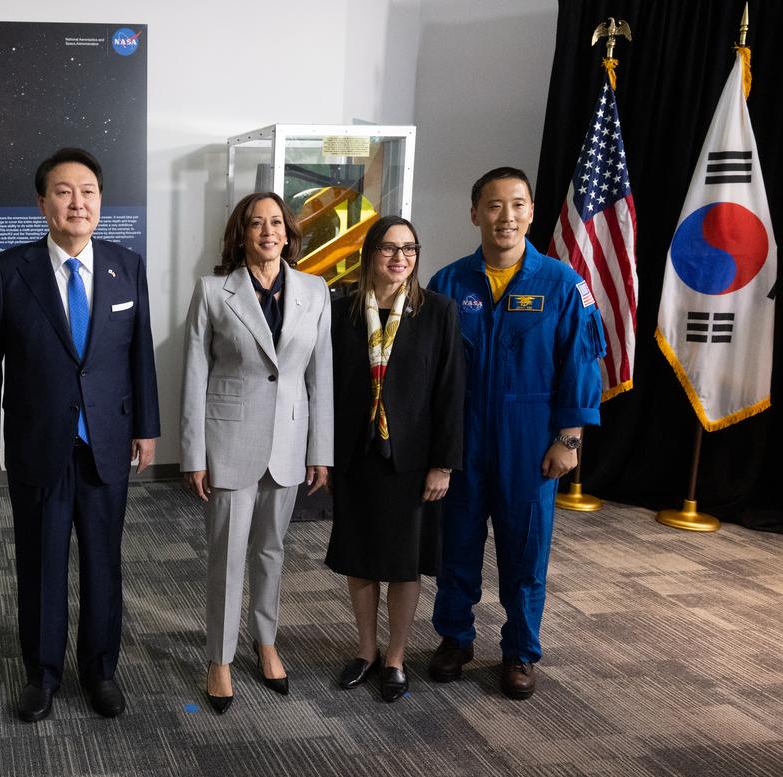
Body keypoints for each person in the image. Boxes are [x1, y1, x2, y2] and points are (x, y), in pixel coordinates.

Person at [0, 147, 160, 722]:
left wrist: (147, 427)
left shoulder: (126, 266)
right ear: (42, 203)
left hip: (105, 441)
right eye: (63, 191)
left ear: (100, 202)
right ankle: (42, 675)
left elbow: (139, 356)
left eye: (88, 192)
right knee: (41, 562)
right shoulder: (10, 269)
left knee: (104, 563)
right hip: (38, 444)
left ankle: (100, 670)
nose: (78, 202)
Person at [427, 167, 604, 699]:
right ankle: (455, 638)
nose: (507, 216)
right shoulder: (449, 283)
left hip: (530, 440)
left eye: (518, 205)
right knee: (456, 544)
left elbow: (580, 365)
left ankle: (521, 651)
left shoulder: (563, 284)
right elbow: (433, 371)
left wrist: (569, 439)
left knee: (525, 551)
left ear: (531, 211)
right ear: (475, 212)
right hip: (463, 435)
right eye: (495, 205)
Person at [180, 191, 333, 714]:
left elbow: (321, 377)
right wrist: (193, 455)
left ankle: (265, 641)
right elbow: (195, 374)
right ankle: (219, 659)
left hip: (289, 443)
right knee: (227, 556)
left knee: (272, 550)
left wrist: (322, 450)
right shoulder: (213, 291)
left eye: (276, 223)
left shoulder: (315, 291)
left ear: (289, 232)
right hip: (228, 441)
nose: (268, 232)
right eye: (256, 224)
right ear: (240, 233)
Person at [324, 215, 464, 703]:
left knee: (405, 564)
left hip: (412, 462)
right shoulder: (340, 313)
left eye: (409, 248)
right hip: (357, 456)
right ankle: (365, 650)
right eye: (388, 248)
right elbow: (327, 390)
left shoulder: (438, 311)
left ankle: (397, 657)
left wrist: (443, 464)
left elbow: (450, 391)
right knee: (360, 559)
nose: (399, 257)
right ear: (369, 255)